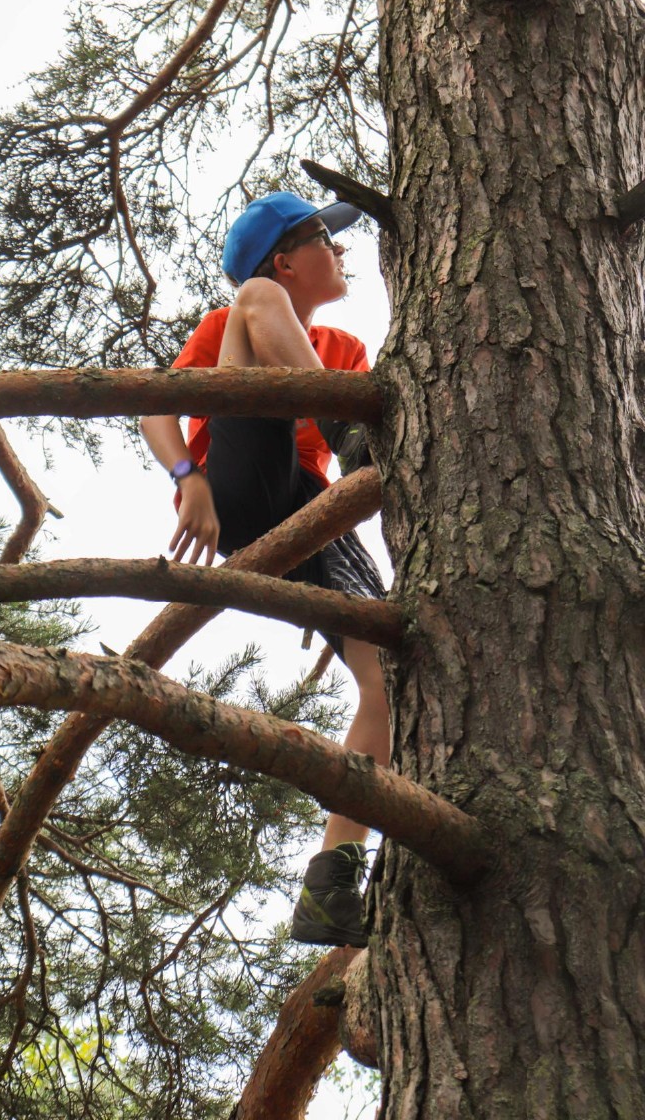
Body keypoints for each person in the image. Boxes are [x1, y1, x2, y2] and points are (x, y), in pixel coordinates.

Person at [140, 191, 390, 948]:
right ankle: (346, 426)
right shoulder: (238, 312)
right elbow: (156, 408)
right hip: (242, 489)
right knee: (254, 307)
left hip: (313, 511)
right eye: (323, 239)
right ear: (285, 260)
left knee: (392, 678)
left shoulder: (344, 347)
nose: (339, 251)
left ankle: (331, 883)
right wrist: (188, 478)